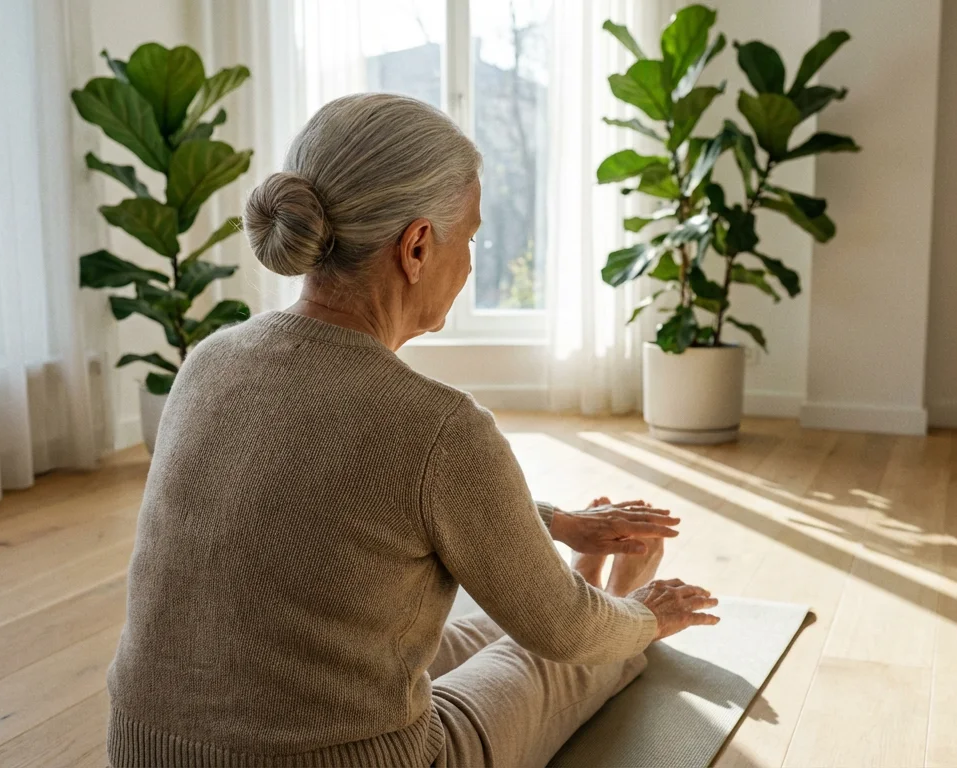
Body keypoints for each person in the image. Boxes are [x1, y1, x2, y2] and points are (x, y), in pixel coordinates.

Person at [105, 92, 719, 768]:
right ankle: (615, 602)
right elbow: (564, 633)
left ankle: (588, 591)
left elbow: (330, 502)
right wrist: (648, 616)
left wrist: (553, 521)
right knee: (542, 655)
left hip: (144, 751)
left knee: (465, 638)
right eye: (473, 237)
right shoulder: (439, 425)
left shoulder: (208, 361)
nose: (473, 261)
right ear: (418, 245)